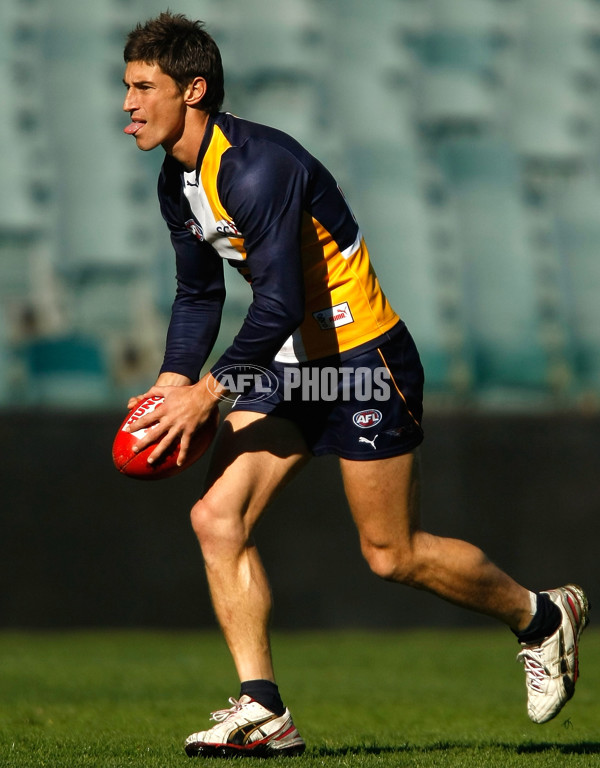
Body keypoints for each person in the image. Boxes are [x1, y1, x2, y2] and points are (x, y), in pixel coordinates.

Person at [121, 11, 589, 759]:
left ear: (194, 89)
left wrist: (207, 394)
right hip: (293, 364)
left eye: (145, 87)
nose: (128, 104)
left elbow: (274, 302)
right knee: (216, 518)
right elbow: (199, 294)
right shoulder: (177, 181)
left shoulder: (256, 166)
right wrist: (173, 377)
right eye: (127, 87)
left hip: (362, 360)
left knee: (391, 554)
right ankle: (264, 710)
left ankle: (540, 616)